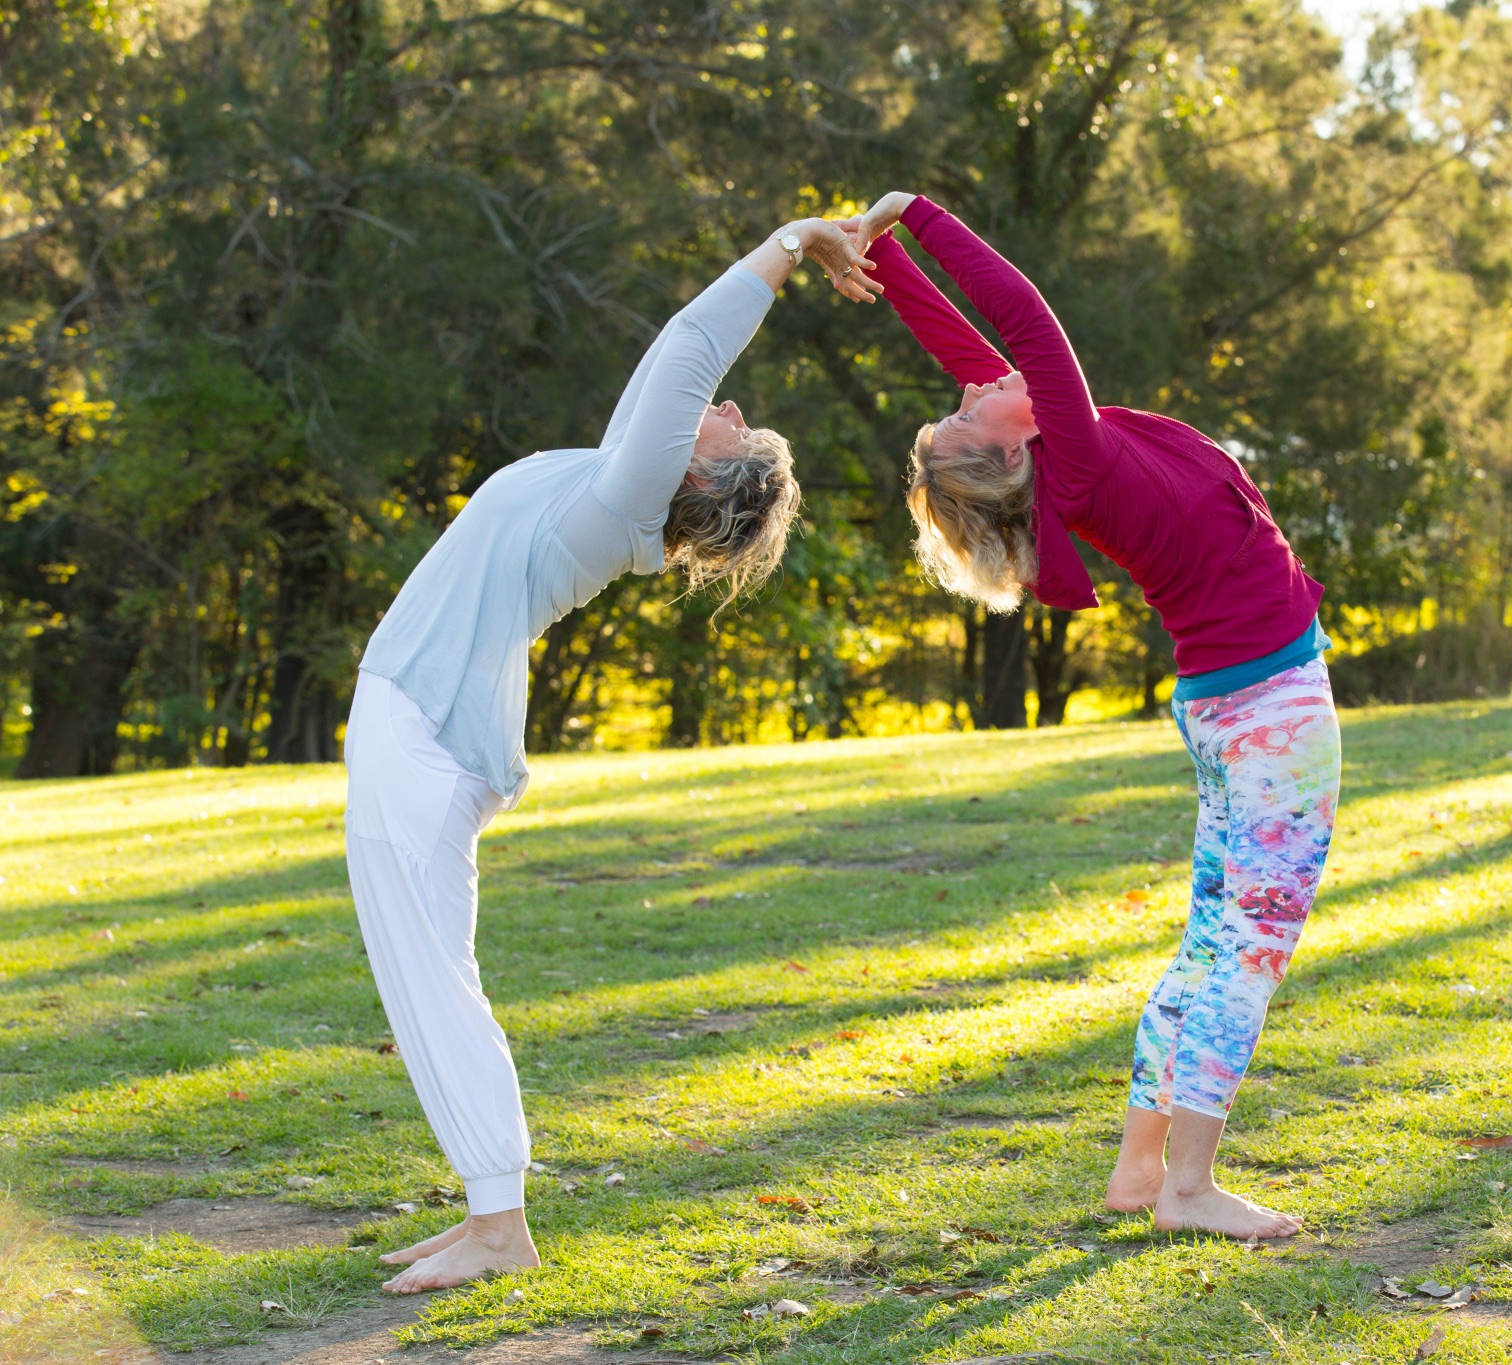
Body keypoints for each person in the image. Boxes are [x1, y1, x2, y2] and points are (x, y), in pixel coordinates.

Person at [346, 217, 878, 1293]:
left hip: (426, 733)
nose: (724, 410)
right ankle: (485, 1211)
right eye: (730, 414)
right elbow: (669, 382)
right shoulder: (613, 482)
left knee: (434, 982)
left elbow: (688, 348)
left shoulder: (622, 501)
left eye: (736, 429)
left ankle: (499, 1223)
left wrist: (789, 245)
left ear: (705, 478)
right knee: (422, 981)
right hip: (422, 727)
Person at [853, 192, 1340, 1241]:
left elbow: (969, 347)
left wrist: (880, 261)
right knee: (1251, 943)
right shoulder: (1073, 453)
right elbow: (1022, 319)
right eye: (970, 405)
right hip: (1267, 706)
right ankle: (1191, 1190)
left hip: (1229, 702)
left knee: (1215, 934)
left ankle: (1139, 1170)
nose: (980, 381)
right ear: (1012, 451)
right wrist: (916, 215)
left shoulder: (1045, 449)